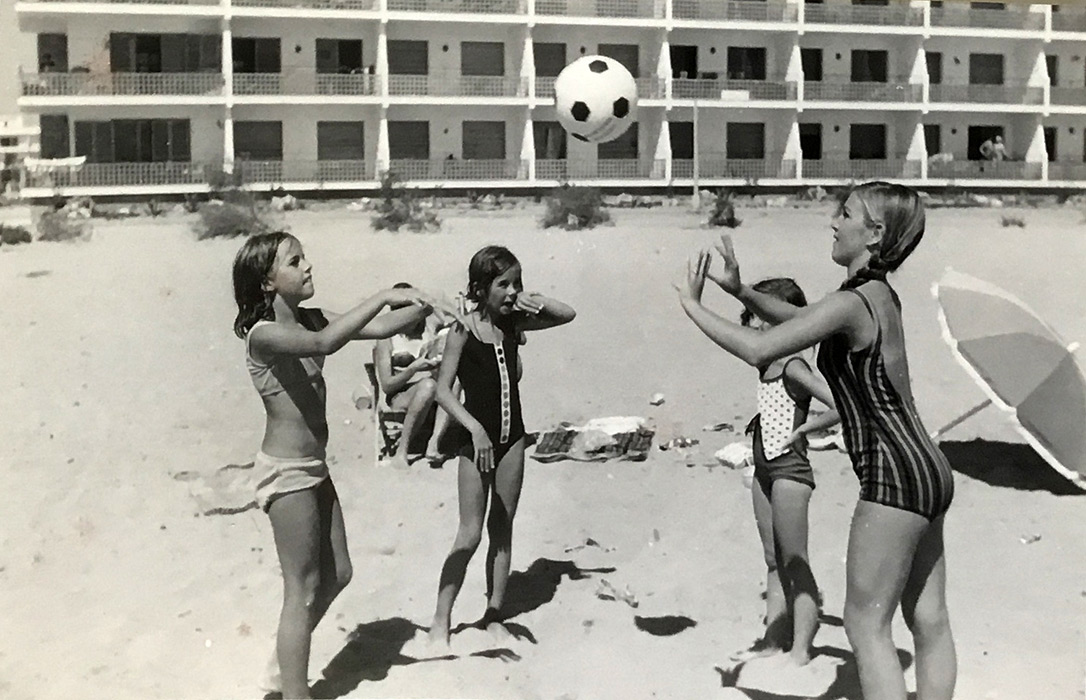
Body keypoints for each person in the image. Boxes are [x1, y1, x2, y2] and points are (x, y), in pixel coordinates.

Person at [676, 182, 955, 700]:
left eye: (844, 213)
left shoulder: (854, 301)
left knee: (865, 627)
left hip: (892, 474)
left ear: (874, 234)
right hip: (929, 467)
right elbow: (801, 322)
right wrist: (741, 293)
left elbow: (761, 349)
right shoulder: (875, 296)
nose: (833, 220)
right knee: (929, 619)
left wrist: (693, 307)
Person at [233, 231, 439, 699]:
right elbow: (326, 343)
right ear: (267, 282)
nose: (308, 267)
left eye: (306, 257)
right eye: (295, 261)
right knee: (301, 588)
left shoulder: (307, 317)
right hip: (286, 473)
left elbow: (384, 328)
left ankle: (284, 666)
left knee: (338, 573)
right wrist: (385, 294)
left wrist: (432, 307)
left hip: (313, 466)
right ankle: (294, 689)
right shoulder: (264, 336)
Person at [427, 245, 576, 646]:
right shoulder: (464, 328)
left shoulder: (513, 324)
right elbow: (442, 391)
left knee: (502, 528)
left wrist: (535, 299)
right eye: (503, 284)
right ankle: (441, 619)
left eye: (517, 283)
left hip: (513, 438)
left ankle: (494, 612)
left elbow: (567, 314)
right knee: (469, 534)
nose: (512, 292)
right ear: (479, 288)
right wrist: (473, 430)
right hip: (477, 441)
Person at [726, 277, 840, 668]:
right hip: (764, 469)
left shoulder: (793, 367)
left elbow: (842, 404)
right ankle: (774, 638)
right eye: (752, 317)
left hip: (791, 471)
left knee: (795, 561)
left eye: (761, 319)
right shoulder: (768, 366)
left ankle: (802, 649)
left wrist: (809, 427)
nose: (754, 327)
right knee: (772, 559)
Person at [373, 282, 458, 470]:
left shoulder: (428, 325)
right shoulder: (386, 338)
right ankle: (401, 452)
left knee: (451, 379)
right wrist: (413, 368)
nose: (414, 323)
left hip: (430, 386)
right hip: (401, 395)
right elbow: (387, 385)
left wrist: (429, 302)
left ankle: (434, 443)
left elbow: (453, 318)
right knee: (428, 386)